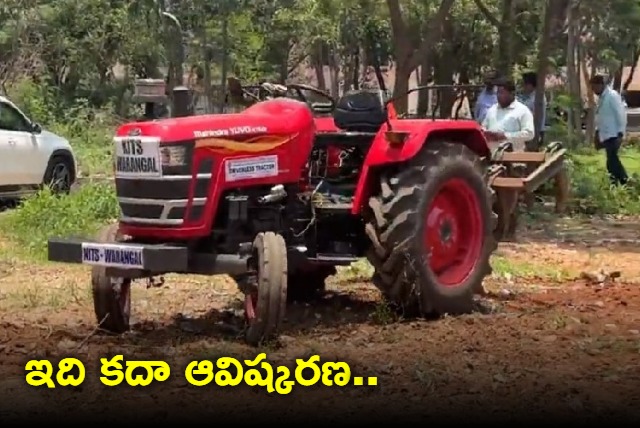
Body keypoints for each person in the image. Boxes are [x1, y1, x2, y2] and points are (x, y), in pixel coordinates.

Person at [590, 75, 628, 186]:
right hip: (606, 135)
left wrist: (621, 133)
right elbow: (601, 117)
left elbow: (620, 114)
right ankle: (616, 182)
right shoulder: (602, 98)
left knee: (612, 160)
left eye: (594, 87)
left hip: (614, 134)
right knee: (611, 160)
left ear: (601, 85)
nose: (593, 90)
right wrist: (597, 133)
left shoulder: (612, 96)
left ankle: (623, 181)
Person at [481, 78, 535, 152]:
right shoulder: (492, 109)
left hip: (514, 158)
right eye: (497, 93)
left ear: (511, 93)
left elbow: (529, 134)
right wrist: (486, 133)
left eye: (502, 92)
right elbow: (483, 127)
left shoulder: (522, 111)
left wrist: (505, 136)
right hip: (492, 155)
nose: (498, 96)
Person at [519, 71, 547, 147]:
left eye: (525, 84)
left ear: (530, 85)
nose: (523, 87)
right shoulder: (528, 97)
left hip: (536, 130)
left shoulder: (538, 98)